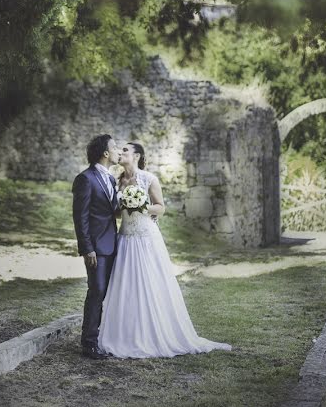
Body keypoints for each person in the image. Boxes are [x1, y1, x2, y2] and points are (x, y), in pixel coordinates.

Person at [98, 142, 232, 358]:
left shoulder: (149, 178)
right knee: (126, 287)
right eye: (120, 150)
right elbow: (116, 213)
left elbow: (160, 207)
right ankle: (125, 334)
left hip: (145, 238)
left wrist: (140, 206)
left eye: (125, 150)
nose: (121, 153)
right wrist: (122, 207)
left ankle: (154, 334)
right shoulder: (117, 180)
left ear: (137, 156)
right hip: (125, 239)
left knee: (149, 284)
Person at [72, 134, 120, 360]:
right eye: (115, 147)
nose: (118, 150)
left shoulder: (110, 179)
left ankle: (103, 338)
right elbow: (79, 217)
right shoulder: (85, 179)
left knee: (109, 292)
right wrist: (87, 248)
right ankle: (88, 343)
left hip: (114, 244)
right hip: (96, 248)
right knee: (97, 290)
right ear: (105, 153)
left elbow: (112, 211)